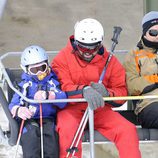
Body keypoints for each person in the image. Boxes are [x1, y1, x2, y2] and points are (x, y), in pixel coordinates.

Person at [51, 18, 141, 158]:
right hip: (71, 109)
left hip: (100, 109)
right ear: (75, 43)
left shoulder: (110, 61)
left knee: (126, 129)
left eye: (93, 47)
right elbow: (61, 86)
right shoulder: (62, 59)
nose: (88, 52)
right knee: (67, 129)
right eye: (83, 47)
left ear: (100, 43)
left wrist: (107, 94)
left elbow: (121, 91)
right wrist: (83, 91)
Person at [9, 45, 67, 158]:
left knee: (50, 140)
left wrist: (49, 95)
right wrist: (18, 110)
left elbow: (63, 100)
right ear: (26, 70)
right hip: (30, 120)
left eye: (43, 67)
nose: (40, 73)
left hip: (48, 118)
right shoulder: (24, 86)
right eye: (34, 70)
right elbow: (13, 104)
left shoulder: (51, 83)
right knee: (30, 138)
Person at [124, 11, 158, 128]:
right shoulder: (134, 55)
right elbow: (131, 85)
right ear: (144, 33)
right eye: (153, 32)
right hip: (149, 103)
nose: (157, 36)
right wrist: (154, 79)